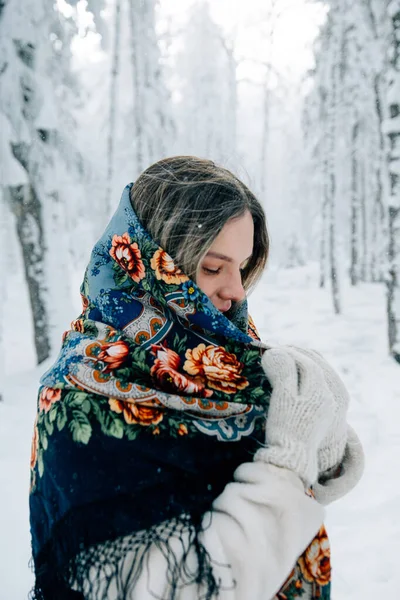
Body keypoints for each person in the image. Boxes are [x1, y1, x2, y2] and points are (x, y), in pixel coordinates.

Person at [29, 156, 364, 600]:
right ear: (151, 262)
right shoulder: (81, 395)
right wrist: (287, 462)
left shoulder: (217, 356)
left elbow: (302, 480)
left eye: (241, 267)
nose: (237, 291)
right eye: (212, 267)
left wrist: (321, 426)